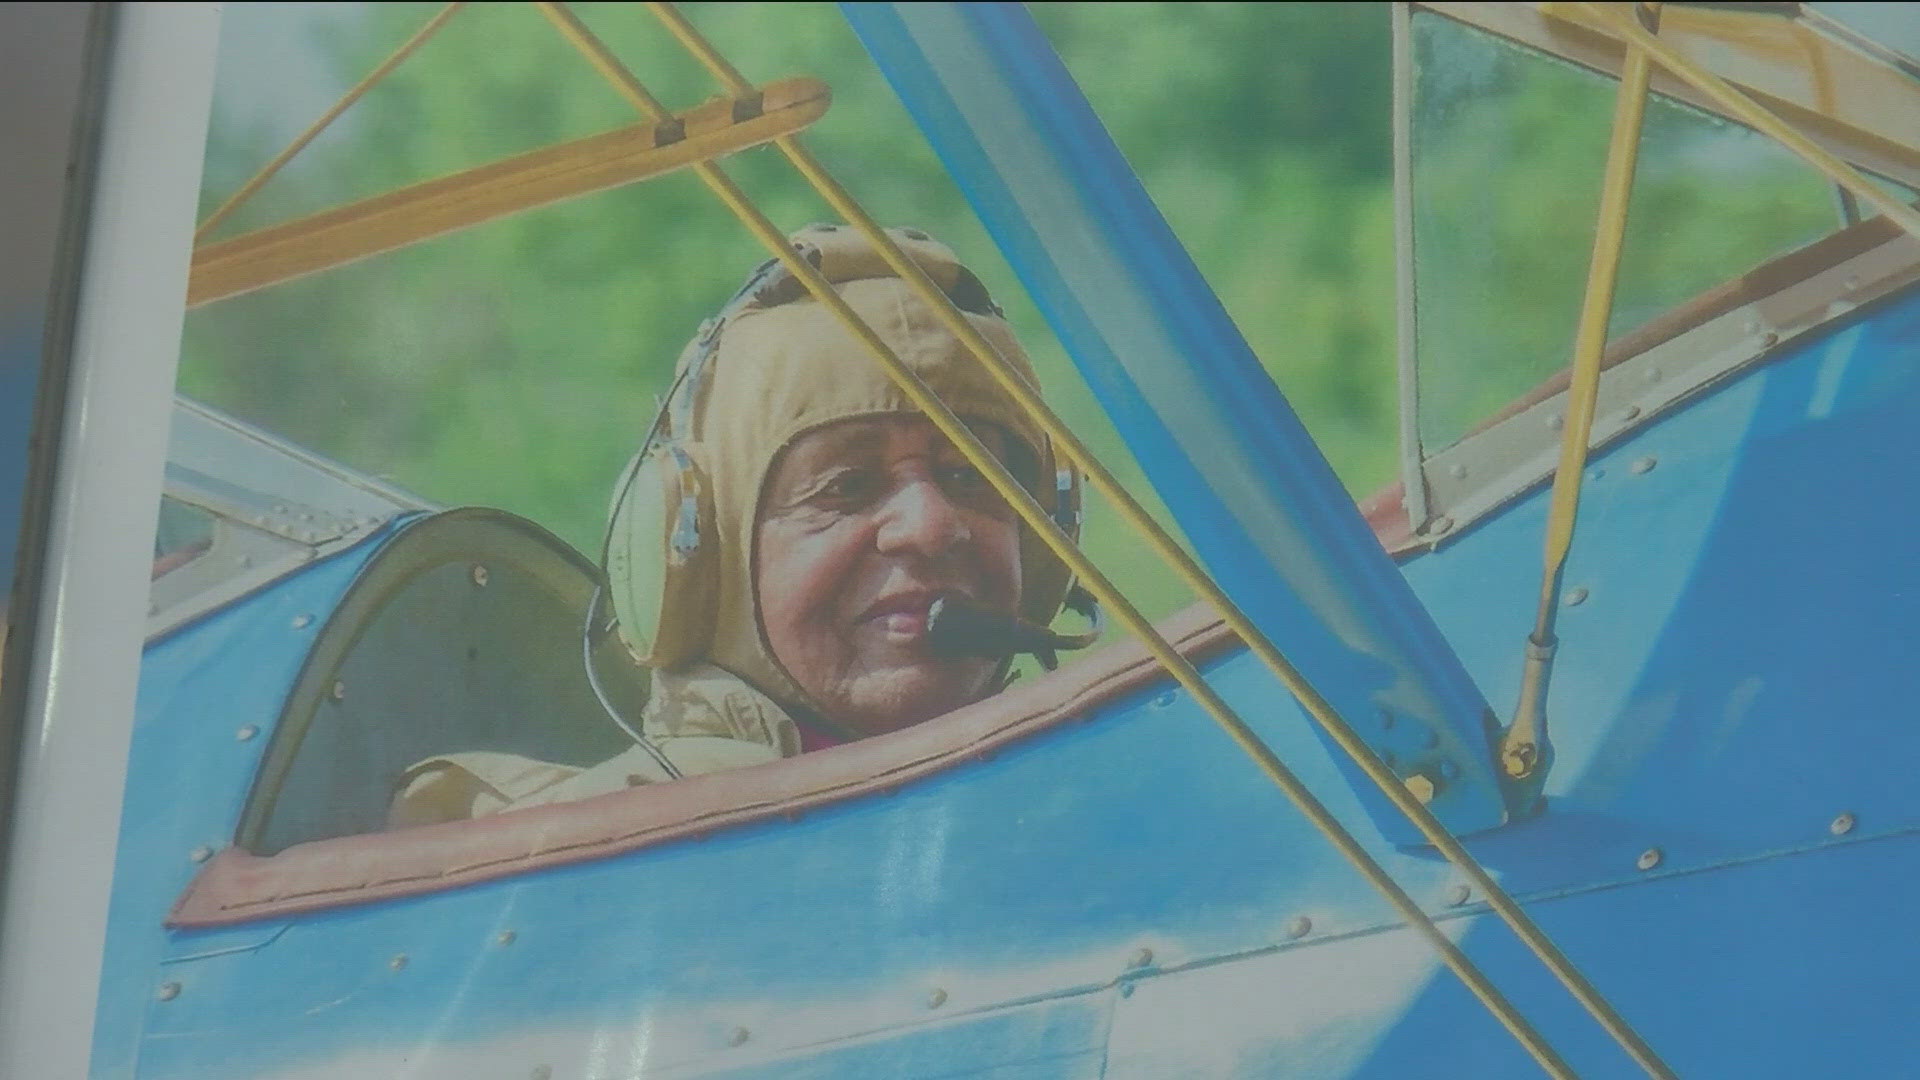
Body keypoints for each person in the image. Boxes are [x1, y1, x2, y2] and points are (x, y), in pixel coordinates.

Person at [389, 225, 1078, 826]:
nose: (930, 527)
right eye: (849, 487)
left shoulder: (1087, 799)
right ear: (692, 559)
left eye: (969, 479)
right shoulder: (588, 857)